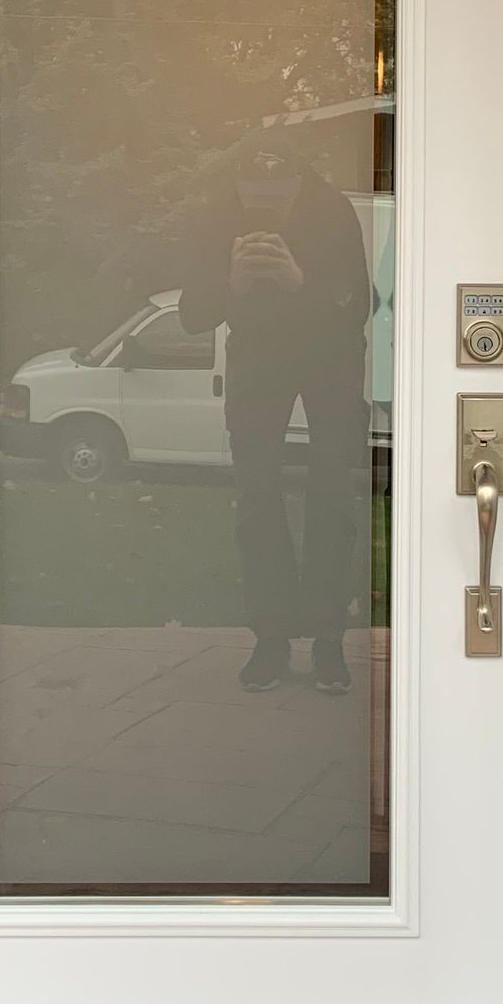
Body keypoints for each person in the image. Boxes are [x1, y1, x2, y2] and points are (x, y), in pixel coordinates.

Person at [177, 134, 370, 694]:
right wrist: (232, 284)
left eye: (278, 192)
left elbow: (358, 306)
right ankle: (271, 637)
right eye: (253, 191)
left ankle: (329, 638)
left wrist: (298, 281)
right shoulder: (219, 215)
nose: (266, 203)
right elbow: (192, 315)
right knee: (257, 495)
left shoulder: (332, 210)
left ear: (300, 182)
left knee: (331, 495)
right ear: (237, 183)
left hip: (331, 359)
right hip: (258, 360)